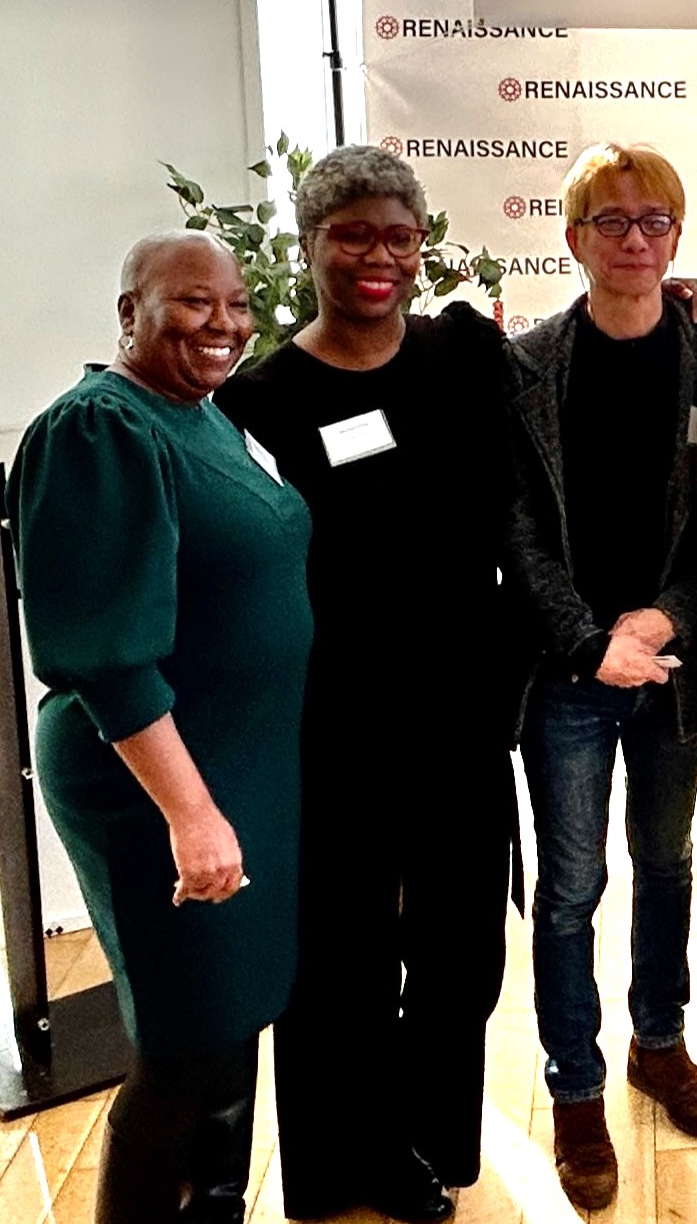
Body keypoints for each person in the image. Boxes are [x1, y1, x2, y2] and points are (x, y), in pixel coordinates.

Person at [216, 145, 516, 1223]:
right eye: (352, 235)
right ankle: (341, 1162)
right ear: (310, 244)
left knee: (460, 953)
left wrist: (689, 307)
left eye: (398, 235)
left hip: (461, 713)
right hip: (330, 721)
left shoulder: (461, 355)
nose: (378, 256)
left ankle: (430, 1142)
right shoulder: (259, 401)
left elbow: (561, 404)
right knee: (340, 958)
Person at [11, 232, 311, 1222]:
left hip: (239, 767)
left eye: (237, 304)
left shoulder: (203, 415)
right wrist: (191, 812)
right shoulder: (99, 428)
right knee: (182, 1047)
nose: (222, 322)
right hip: (159, 779)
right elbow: (105, 652)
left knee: (226, 1030)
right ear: (129, 311)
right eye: (192, 301)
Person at [499, 142, 697, 1212]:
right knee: (570, 889)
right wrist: (592, 641)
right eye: (611, 221)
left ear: (676, 236)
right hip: (569, 674)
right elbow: (517, 532)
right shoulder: (528, 366)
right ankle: (575, 1086)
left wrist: (664, 616)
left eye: (653, 221)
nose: (634, 239)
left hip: (675, 664)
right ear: (574, 238)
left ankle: (659, 1041)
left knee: (668, 863)